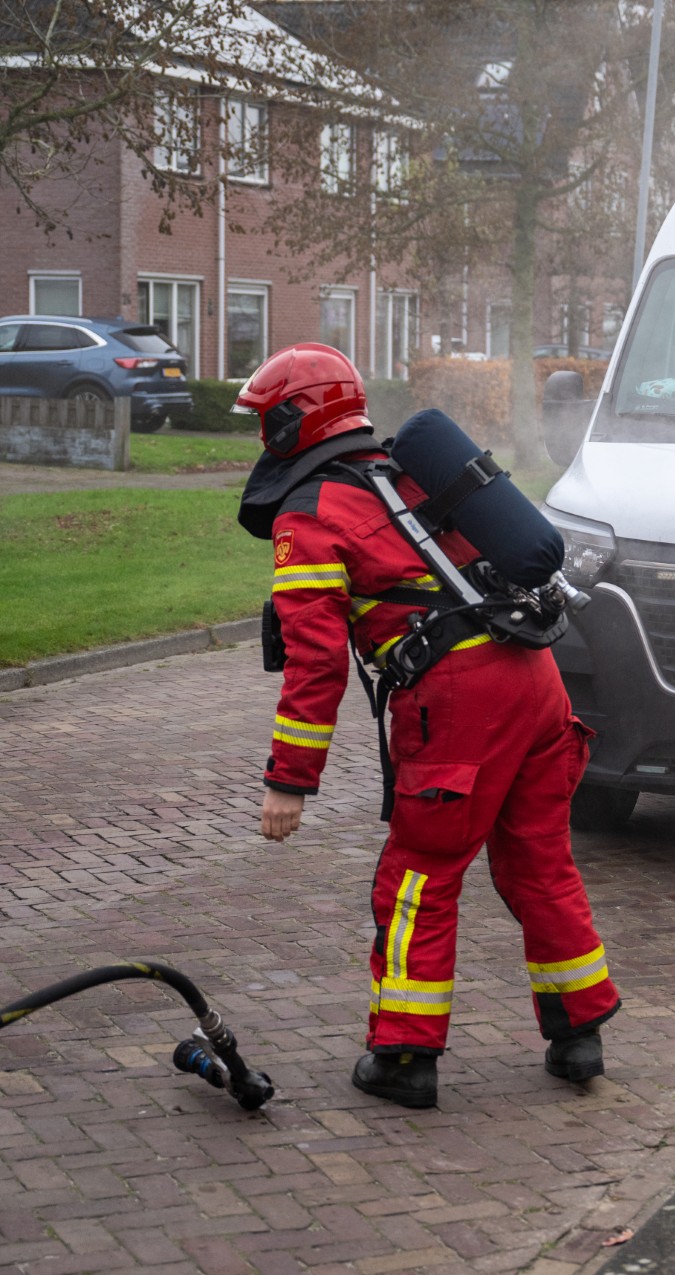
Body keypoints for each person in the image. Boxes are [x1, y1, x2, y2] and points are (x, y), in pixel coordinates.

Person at [236, 343, 620, 1109]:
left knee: (417, 876)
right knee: (538, 862)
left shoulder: (310, 514)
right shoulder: (411, 474)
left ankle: (405, 1057)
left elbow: (317, 667)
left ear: (294, 422)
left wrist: (289, 781)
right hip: (535, 682)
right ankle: (580, 1036)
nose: (259, 438)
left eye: (265, 422)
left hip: (460, 702)